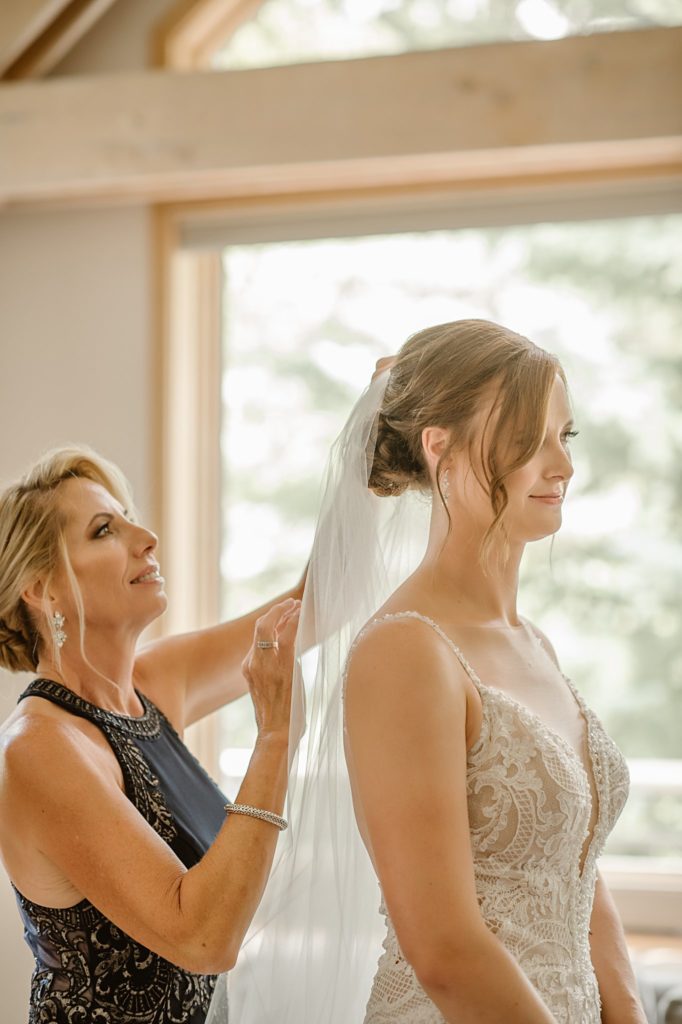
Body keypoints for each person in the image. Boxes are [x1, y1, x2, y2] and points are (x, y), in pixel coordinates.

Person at [223, 319, 647, 1024]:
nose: (562, 466)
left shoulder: (534, 643)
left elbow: (574, 866)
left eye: (563, 437)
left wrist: (627, 1011)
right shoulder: (404, 651)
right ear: (438, 447)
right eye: (526, 439)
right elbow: (443, 948)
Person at [0, 445, 303, 1024]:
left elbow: (307, 609)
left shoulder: (152, 684)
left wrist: (385, 443)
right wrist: (275, 738)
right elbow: (203, 940)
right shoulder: (39, 747)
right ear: (42, 588)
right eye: (104, 530)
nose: (147, 538)